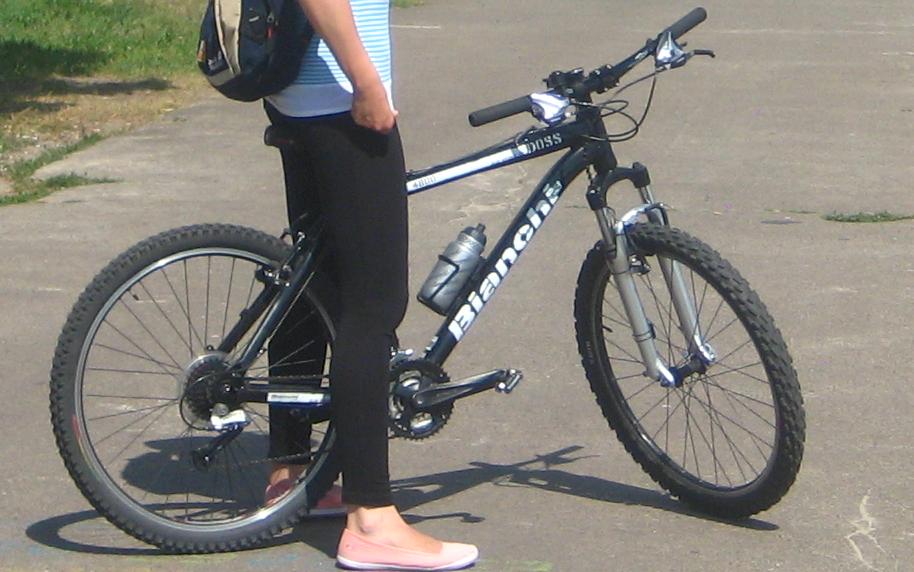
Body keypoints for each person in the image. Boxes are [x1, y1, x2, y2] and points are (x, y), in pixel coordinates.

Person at [262, 0, 479, 569]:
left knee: (318, 280)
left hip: (301, 90)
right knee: (373, 305)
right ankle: (372, 519)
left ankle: (291, 473)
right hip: (339, 97)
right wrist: (364, 80)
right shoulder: (349, 89)